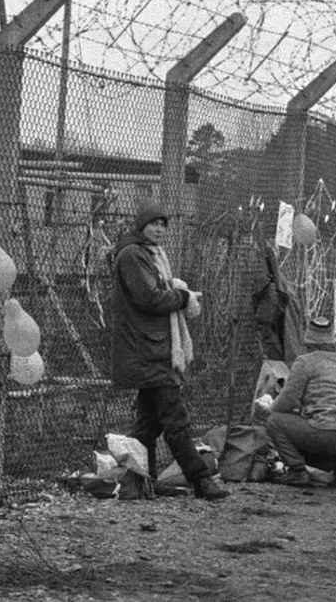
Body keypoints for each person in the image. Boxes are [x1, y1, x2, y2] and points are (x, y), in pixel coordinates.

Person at [109, 198, 227, 499]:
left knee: (148, 424)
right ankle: (201, 480)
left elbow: (155, 293)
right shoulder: (133, 255)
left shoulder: (149, 254)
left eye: (164, 224)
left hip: (152, 348)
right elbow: (148, 298)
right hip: (146, 350)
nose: (160, 229)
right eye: (154, 224)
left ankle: (138, 483)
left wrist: (177, 293)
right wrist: (182, 297)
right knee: (176, 418)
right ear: (141, 226)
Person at [262, 313, 336, 487]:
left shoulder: (305, 362)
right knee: (309, 433)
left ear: (308, 343)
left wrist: (268, 407)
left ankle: (297, 472)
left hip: (327, 431)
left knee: (275, 422)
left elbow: (286, 402)